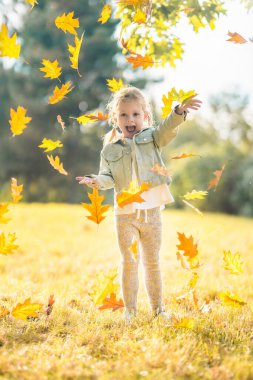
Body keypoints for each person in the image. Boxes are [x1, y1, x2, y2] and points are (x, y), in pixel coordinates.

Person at [76, 86, 202, 324]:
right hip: (125, 215)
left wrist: (179, 111)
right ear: (116, 118)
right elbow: (107, 177)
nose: (130, 119)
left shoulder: (153, 138)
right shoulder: (110, 149)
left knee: (152, 262)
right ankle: (130, 312)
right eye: (124, 115)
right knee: (129, 263)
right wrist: (95, 180)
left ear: (145, 116)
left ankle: (158, 310)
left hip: (152, 213)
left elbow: (167, 128)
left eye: (135, 114)